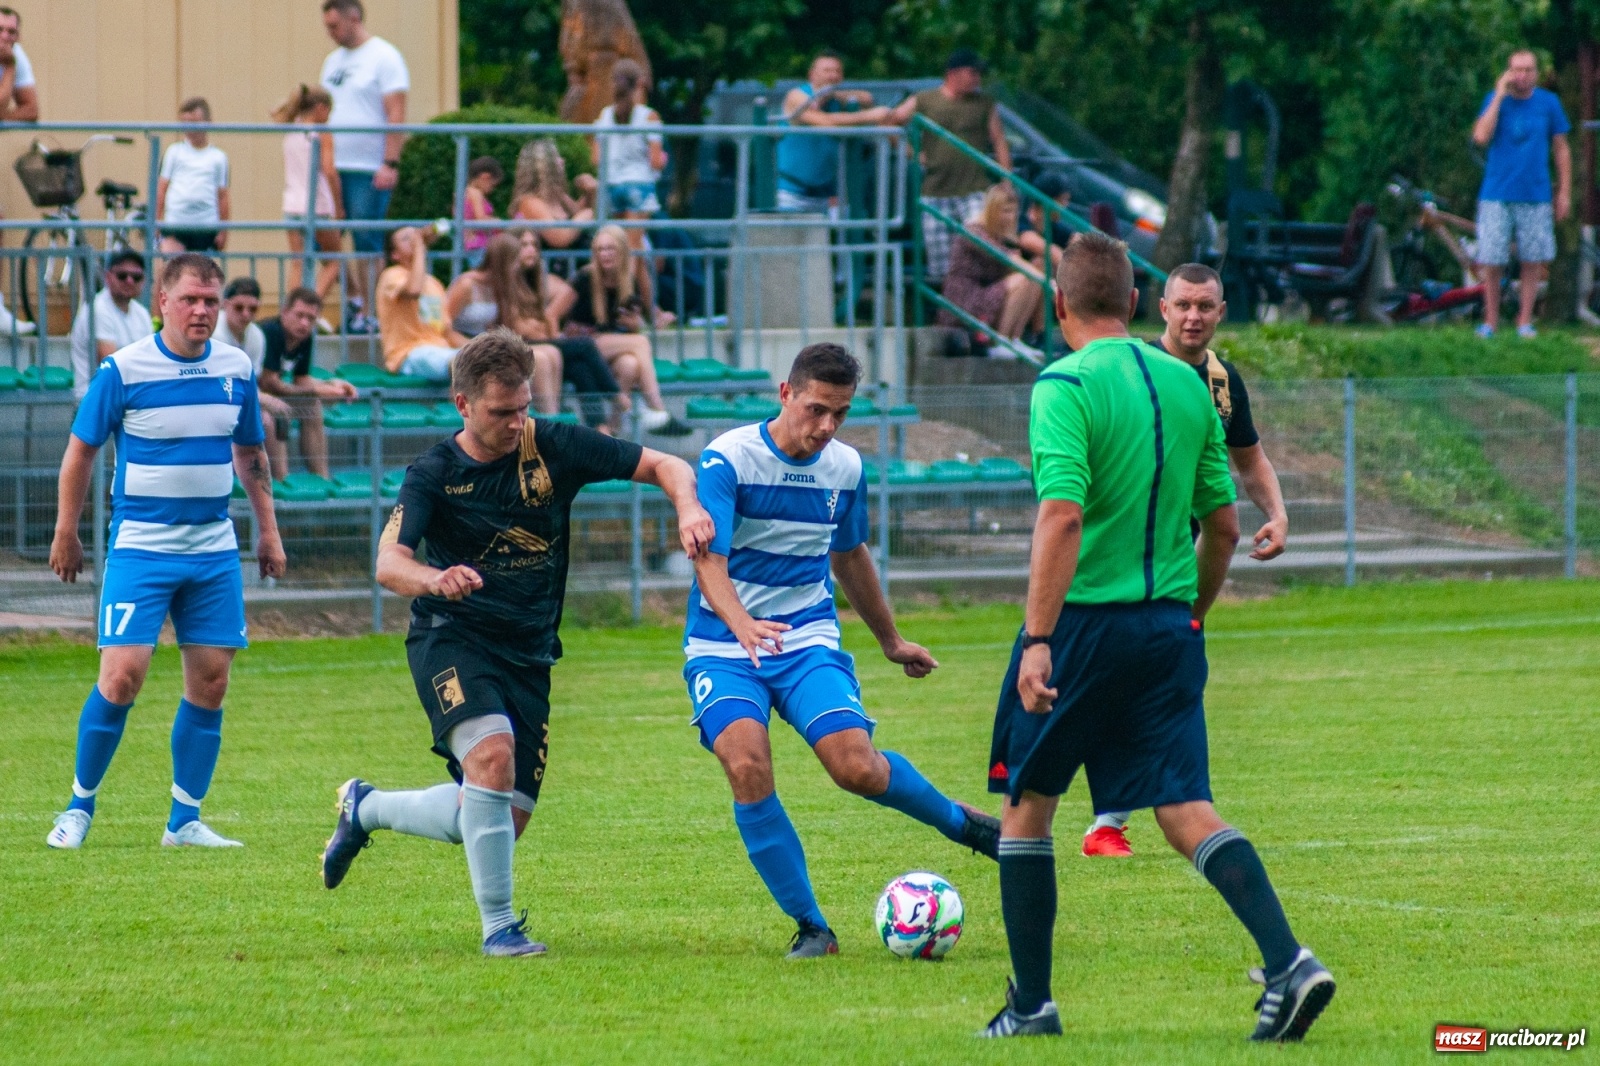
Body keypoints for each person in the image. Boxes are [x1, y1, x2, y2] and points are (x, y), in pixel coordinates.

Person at [979, 232, 1333, 1041]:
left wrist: (1039, 639)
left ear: (1059, 304)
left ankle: (1031, 1008)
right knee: (1183, 806)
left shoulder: (1061, 384)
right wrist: (1194, 614)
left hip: (1081, 628)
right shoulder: (1184, 383)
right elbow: (1223, 525)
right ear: (1140, 304)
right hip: (1170, 626)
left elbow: (1062, 514)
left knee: (1027, 811)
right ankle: (1288, 963)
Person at [320, 328, 715, 957]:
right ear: (463, 404)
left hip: (530, 655)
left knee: (498, 819)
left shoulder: (554, 444)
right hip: (453, 637)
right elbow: (388, 563)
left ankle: (365, 808)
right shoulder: (433, 473)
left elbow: (665, 463)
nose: (516, 423)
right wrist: (435, 578)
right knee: (492, 756)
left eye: (524, 407)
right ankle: (500, 928)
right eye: (502, 412)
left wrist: (688, 507)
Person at [685, 342, 1001, 959]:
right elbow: (709, 563)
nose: (827, 426)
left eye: (841, 413)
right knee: (747, 766)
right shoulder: (728, 459)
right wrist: (743, 623)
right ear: (786, 393)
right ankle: (812, 927)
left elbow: (849, 554)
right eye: (816, 409)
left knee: (857, 768)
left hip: (804, 639)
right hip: (724, 645)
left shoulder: (845, 468)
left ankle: (963, 824)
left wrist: (891, 640)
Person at [45, 253, 286, 851]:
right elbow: (80, 453)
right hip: (142, 548)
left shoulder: (236, 368)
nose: (202, 310)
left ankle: (184, 820)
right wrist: (65, 531)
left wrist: (268, 530)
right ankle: (78, 807)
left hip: (211, 550)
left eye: (211, 299)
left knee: (212, 681)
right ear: (162, 302)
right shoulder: (123, 369)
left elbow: (251, 453)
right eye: (190, 299)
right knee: (122, 676)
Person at [1080, 263, 1290, 859]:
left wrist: (1277, 513)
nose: (1194, 317)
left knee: (1161, 685)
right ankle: (1079, 817)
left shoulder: (1223, 384)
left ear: (1221, 312)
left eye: (1206, 306)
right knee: (1120, 686)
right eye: (1184, 306)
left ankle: (1112, 821)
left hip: (1181, 567)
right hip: (1125, 563)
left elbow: (1249, 462)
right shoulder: (1133, 372)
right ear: (1161, 309)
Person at [446, 231, 619, 429]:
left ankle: (551, 421)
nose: (517, 269)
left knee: (554, 354)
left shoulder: (499, 286)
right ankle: (548, 426)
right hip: (466, 344)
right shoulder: (467, 284)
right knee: (544, 359)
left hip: (489, 344)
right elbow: (443, 325)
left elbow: (503, 323)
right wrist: (473, 346)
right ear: (502, 262)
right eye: (514, 263)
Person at [321, 0, 409, 334]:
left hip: (367, 166)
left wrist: (390, 161)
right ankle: (356, 302)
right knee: (327, 239)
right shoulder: (332, 62)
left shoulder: (384, 57)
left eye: (335, 25)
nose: (331, 33)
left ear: (353, 18)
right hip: (333, 165)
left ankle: (374, 313)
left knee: (365, 238)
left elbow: (396, 112)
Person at [1471, 48, 1571, 339]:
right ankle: (1490, 321)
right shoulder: (1495, 101)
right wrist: (1499, 96)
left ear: (1536, 74)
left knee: (1533, 258)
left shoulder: (1548, 104)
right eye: (1517, 69)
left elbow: (1561, 148)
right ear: (1508, 72)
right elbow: (1480, 136)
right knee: (1491, 258)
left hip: (1536, 193)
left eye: (1528, 70)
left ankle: (1524, 320)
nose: (1522, 76)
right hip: (1497, 192)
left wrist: (1564, 191)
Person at [889, 49, 1011, 281]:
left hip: (975, 189)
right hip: (936, 191)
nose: (977, 79)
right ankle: (948, 311)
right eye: (972, 73)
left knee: (982, 249)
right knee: (941, 265)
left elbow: (999, 140)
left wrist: (1006, 180)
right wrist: (912, 154)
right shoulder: (925, 99)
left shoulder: (984, 103)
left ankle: (979, 305)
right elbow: (892, 123)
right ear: (953, 74)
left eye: (978, 74)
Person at [565, 224, 689, 434]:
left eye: (610, 249)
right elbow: (552, 314)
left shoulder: (627, 280)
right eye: (600, 250)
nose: (605, 254)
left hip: (608, 345)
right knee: (641, 343)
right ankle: (657, 408)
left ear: (622, 251)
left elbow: (625, 330)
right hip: (582, 344)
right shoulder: (585, 277)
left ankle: (613, 429)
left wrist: (633, 325)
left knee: (630, 364)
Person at [259, 287, 360, 479]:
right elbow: (270, 383)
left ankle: (321, 476)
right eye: (299, 315)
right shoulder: (271, 332)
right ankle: (282, 481)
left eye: (311, 319)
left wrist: (332, 384)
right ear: (284, 312)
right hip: (253, 399)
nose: (305, 323)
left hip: (271, 396)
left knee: (312, 406)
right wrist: (320, 390)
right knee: (279, 412)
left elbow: (301, 378)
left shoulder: (304, 338)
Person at [775, 52, 890, 214]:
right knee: (790, 237)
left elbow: (867, 98)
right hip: (791, 191)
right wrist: (869, 116)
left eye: (837, 71)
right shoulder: (797, 96)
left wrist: (834, 95)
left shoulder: (836, 100)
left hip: (825, 193)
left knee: (848, 224)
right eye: (827, 70)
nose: (832, 76)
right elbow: (826, 123)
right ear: (812, 74)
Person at [939, 183, 1043, 358]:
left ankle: (1014, 340)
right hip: (965, 300)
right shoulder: (973, 230)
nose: (1010, 218)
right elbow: (1008, 258)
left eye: (1013, 212)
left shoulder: (1000, 234)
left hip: (986, 293)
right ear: (992, 209)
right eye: (1005, 211)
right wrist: (1050, 283)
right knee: (1026, 277)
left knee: (1034, 273)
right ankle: (1000, 342)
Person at [273, 84, 345, 317]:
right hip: (317, 204)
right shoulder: (321, 132)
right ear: (321, 108)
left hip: (292, 203)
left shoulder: (292, 132)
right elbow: (329, 171)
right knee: (334, 261)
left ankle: (291, 312)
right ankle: (310, 309)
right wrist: (339, 206)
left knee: (299, 263)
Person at [376, 224, 469, 381]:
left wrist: (484, 345)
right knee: (464, 363)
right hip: (408, 353)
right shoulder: (391, 275)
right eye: (406, 239)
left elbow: (446, 333)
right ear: (395, 255)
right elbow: (413, 291)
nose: (413, 240)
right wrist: (419, 246)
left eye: (415, 235)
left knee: (488, 359)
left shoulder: (434, 283)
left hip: (441, 351)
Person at [591, 59, 664, 249]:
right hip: (639, 185)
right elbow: (656, 162)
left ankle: (646, 281)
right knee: (631, 250)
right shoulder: (649, 116)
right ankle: (627, 281)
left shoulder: (604, 115)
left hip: (613, 186)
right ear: (638, 84)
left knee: (631, 247)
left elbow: (596, 159)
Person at [70, 251, 153, 401]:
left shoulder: (141, 313)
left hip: (128, 400)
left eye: (136, 277)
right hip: (95, 403)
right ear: (108, 277)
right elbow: (111, 366)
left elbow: (151, 360)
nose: (129, 281)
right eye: (122, 276)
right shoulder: (97, 309)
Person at [157, 98, 230, 255]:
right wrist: (156, 222)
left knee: (201, 275)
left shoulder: (218, 157)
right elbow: (161, 189)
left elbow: (222, 196)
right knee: (173, 272)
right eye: (185, 123)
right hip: (176, 224)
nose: (190, 129)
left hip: (205, 226)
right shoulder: (174, 152)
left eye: (195, 122)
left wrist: (223, 231)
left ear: (208, 122)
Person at [509, 138, 597, 254]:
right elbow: (559, 238)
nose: (562, 161)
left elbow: (579, 215)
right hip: (547, 267)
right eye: (556, 158)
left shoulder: (559, 197)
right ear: (544, 166)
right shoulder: (530, 202)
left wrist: (590, 192)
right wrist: (584, 216)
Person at [1018, 171, 1074, 265]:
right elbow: (1052, 252)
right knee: (1040, 263)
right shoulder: (1021, 222)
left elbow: (1079, 240)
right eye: (1063, 200)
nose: (1066, 206)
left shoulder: (1056, 227)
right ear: (1050, 200)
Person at [0, 6, 39, 122]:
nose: (4, 36)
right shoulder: (12, 59)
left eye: (11, 32)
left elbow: (32, 110)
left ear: (18, 37)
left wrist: (4, 117)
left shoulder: (17, 54)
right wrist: (10, 66)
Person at [463, 156, 505, 257]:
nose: (492, 189)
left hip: (472, 245)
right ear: (485, 177)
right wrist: (499, 222)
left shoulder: (465, 193)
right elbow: (481, 219)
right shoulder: (475, 193)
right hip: (480, 245)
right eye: (492, 185)